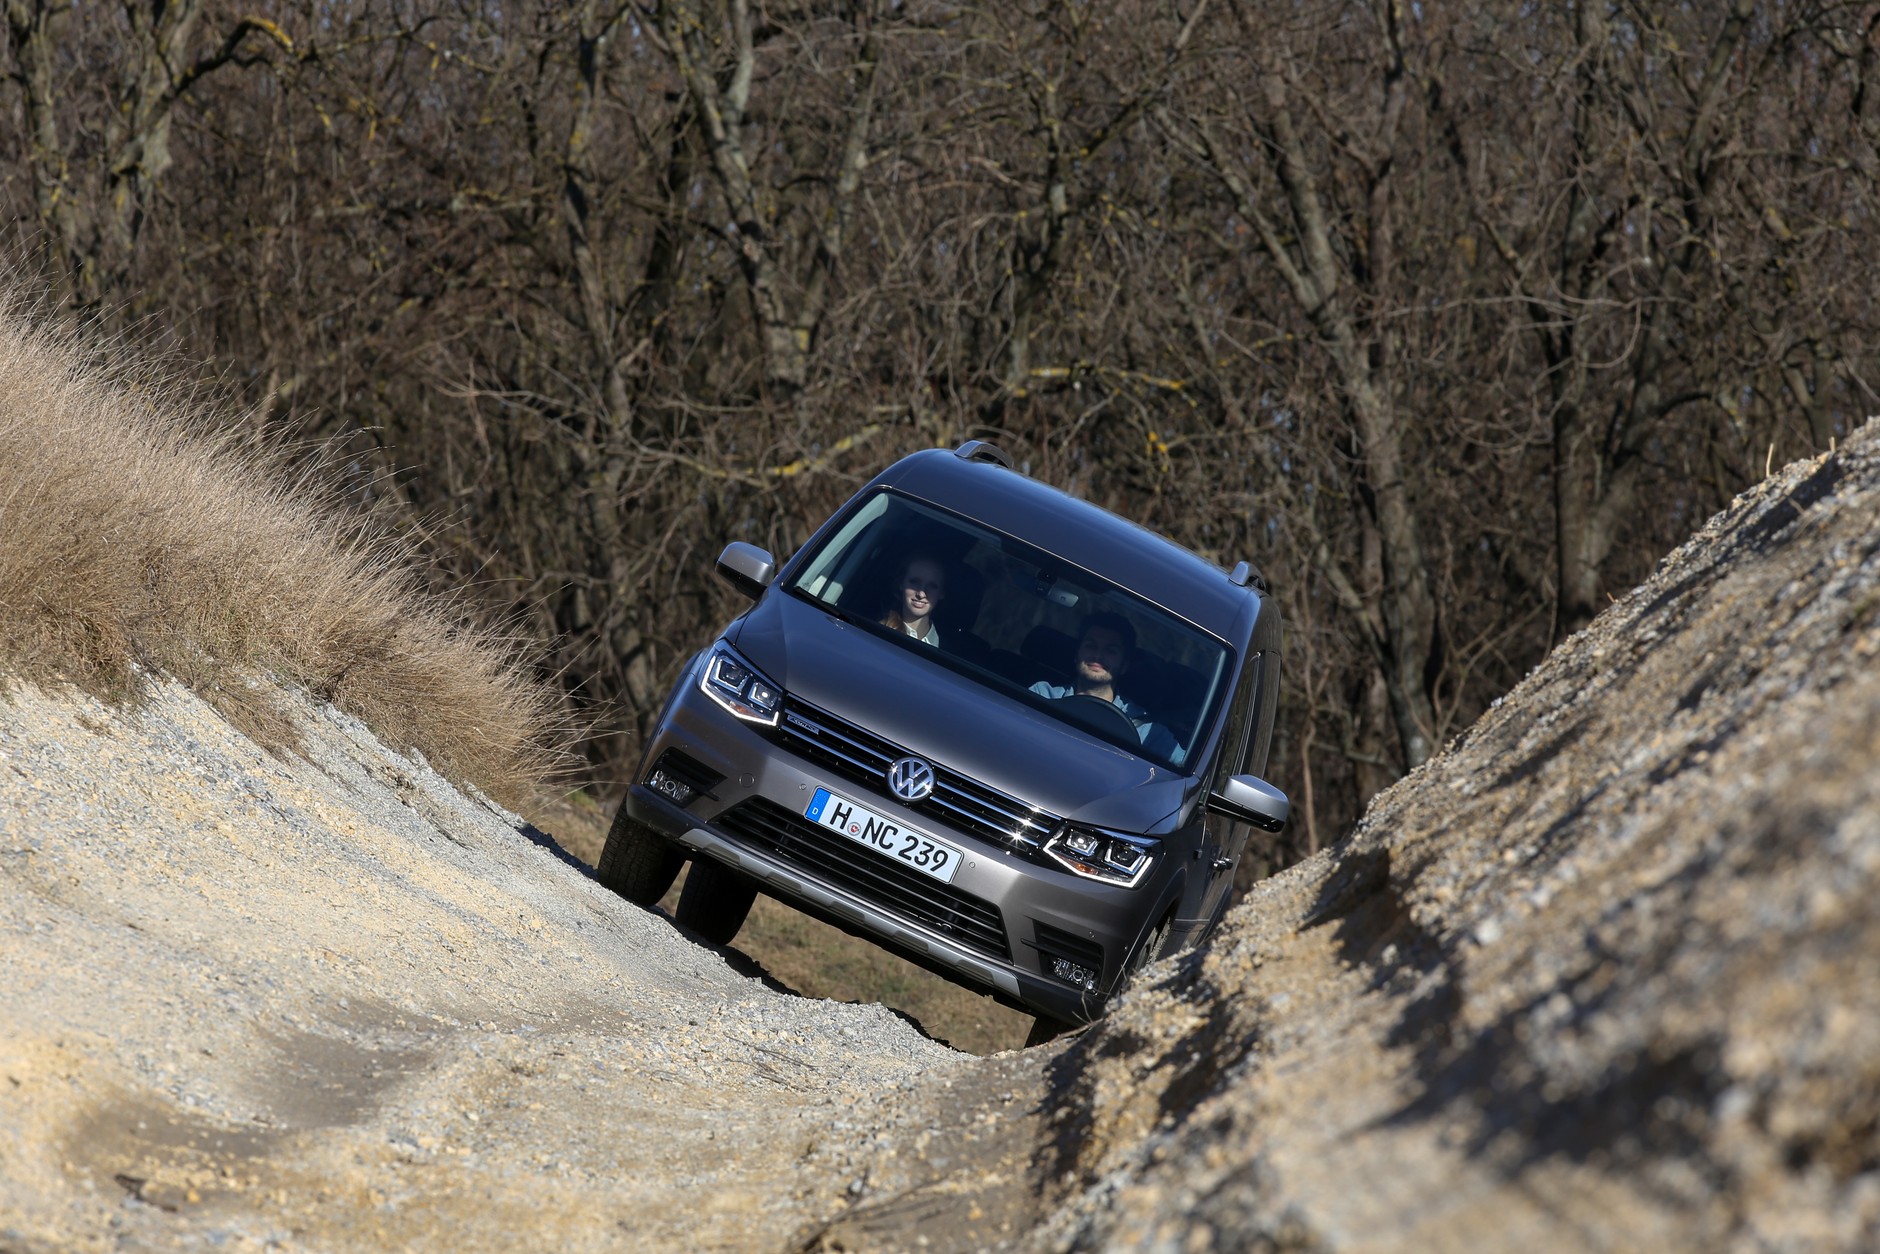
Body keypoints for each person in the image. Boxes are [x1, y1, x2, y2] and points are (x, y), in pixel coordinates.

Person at [1030, 612, 1182, 763]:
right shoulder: (1043, 695)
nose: (1098, 655)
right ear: (1077, 655)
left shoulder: (1146, 730)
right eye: (1091, 645)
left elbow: (1184, 772)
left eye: (1110, 650)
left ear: (1124, 665)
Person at [882, 554, 947, 647]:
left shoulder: (949, 652)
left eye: (932, 586)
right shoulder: (878, 631)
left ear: (942, 593)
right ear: (901, 584)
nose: (921, 594)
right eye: (914, 582)